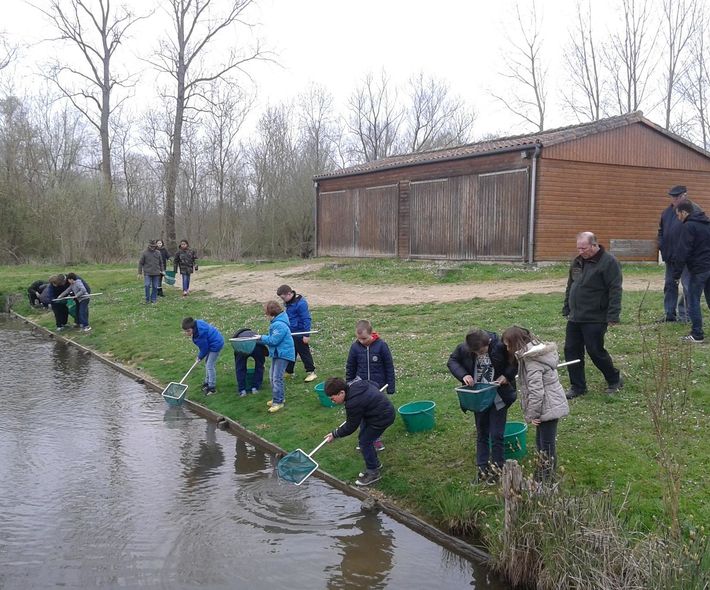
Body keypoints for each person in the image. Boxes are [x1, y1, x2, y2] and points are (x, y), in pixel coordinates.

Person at [447, 328, 517, 482]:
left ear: (489, 343)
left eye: (482, 351)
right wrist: (463, 375)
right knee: (482, 433)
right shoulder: (464, 348)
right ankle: (482, 469)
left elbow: (514, 362)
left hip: (498, 396)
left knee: (497, 434)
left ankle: (498, 469)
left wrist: (506, 376)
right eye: (476, 352)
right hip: (479, 397)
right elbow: (452, 361)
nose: (480, 354)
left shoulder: (500, 346)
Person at [502, 326, 569, 482]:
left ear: (515, 343)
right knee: (542, 442)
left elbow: (537, 391)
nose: (506, 348)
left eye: (507, 345)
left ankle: (547, 478)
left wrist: (533, 415)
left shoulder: (532, 361)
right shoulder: (535, 354)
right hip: (548, 405)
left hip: (547, 407)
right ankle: (542, 473)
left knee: (546, 445)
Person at [563, 231, 623, 398]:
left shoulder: (609, 262)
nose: (581, 252)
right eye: (578, 248)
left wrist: (613, 315)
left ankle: (614, 378)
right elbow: (571, 285)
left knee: (595, 350)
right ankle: (577, 386)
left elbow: (615, 289)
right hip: (575, 316)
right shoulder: (577, 261)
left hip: (596, 316)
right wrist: (567, 306)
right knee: (571, 350)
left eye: (584, 248)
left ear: (595, 245)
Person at [323, 377, 396, 486]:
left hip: (382, 417)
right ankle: (375, 464)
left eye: (333, 398)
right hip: (374, 413)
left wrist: (335, 434)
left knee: (364, 442)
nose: (332, 401)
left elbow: (350, 427)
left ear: (342, 392)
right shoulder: (358, 384)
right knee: (364, 437)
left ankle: (373, 472)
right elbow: (374, 383)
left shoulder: (353, 403)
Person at [345, 319, 396, 452]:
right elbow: (350, 366)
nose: (361, 341)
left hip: (378, 387)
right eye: (359, 338)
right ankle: (364, 440)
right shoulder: (355, 347)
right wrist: (349, 383)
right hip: (361, 388)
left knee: (376, 415)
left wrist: (390, 385)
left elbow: (389, 366)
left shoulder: (381, 346)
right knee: (362, 414)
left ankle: (376, 439)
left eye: (364, 338)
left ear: (371, 333)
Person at [657, 185, 704, 322]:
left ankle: (688, 316)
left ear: (685, 196)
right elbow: (661, 231)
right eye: (673, 197)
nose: (675, 200)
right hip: (671, 256)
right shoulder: (666, 213)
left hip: (687, 257)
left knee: (688, 286)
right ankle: (669, 314)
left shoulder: (694, 210)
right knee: (670, 285)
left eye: (678, 197)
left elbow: (699, 232)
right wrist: (662, 246)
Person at [673, 201, 710, 343]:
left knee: (693, 301)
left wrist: (676, 275)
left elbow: (683, 251)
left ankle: (697, 334)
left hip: (699, 269)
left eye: (678, 215)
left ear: (684, 212)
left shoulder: (688, 226)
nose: (678, 218)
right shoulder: (707, 223)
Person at [255, 300, 295, 413]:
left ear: (271, 313)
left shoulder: (279, 324)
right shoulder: (277, 322)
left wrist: (260, 338)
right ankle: (278, 398)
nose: (266, 316)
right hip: (278, 353)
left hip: (283, 354)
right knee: (272, 376)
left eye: (266, 314)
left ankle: (278, 402)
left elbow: (273, 340)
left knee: (277, 378)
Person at [276, 284, 318, 382]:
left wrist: (306, 335)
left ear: (289, 294)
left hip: (300, 333)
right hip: (291, 333)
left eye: (283, 297)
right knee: (291, 352)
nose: (283, 300)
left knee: (304, 353)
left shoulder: (301, 304)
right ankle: (289, 371)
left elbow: (306, 319)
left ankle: (311, 372)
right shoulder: (289, 303)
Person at [182, 316, 224, 396]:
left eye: (188, 331)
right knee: (207, 363)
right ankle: (207, 383)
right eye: (185, 331)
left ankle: (212, 387)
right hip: (211, 343)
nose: (187, 333)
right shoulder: (197, 324)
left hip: (216, 344)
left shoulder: (200, 335)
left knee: (209, 365)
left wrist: (199, 357)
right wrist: (200, 357)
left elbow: (205, 349)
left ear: (193, 328)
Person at [232, 327, 267, 397]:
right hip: (256, 346)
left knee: (240, 367)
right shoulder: (254, 334)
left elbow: (237, 362)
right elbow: (262, 344)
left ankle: (242, 390)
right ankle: (255, 388)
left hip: (242, 346)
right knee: (259, 366)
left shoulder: (237, 338)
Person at [138, 240, 164, 304]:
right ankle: (147, 299)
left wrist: (162, 270)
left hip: (156, 273)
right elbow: (140, 263)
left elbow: (161, 263)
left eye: (154, 246)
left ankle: (153, 299)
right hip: (147, 273)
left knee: (155, 286)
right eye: (151, 246)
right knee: (147, 285)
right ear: (148, 246)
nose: (152, 247)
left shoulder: (158, 253)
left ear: (155, 246)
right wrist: (139, 273)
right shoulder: (144, 253)